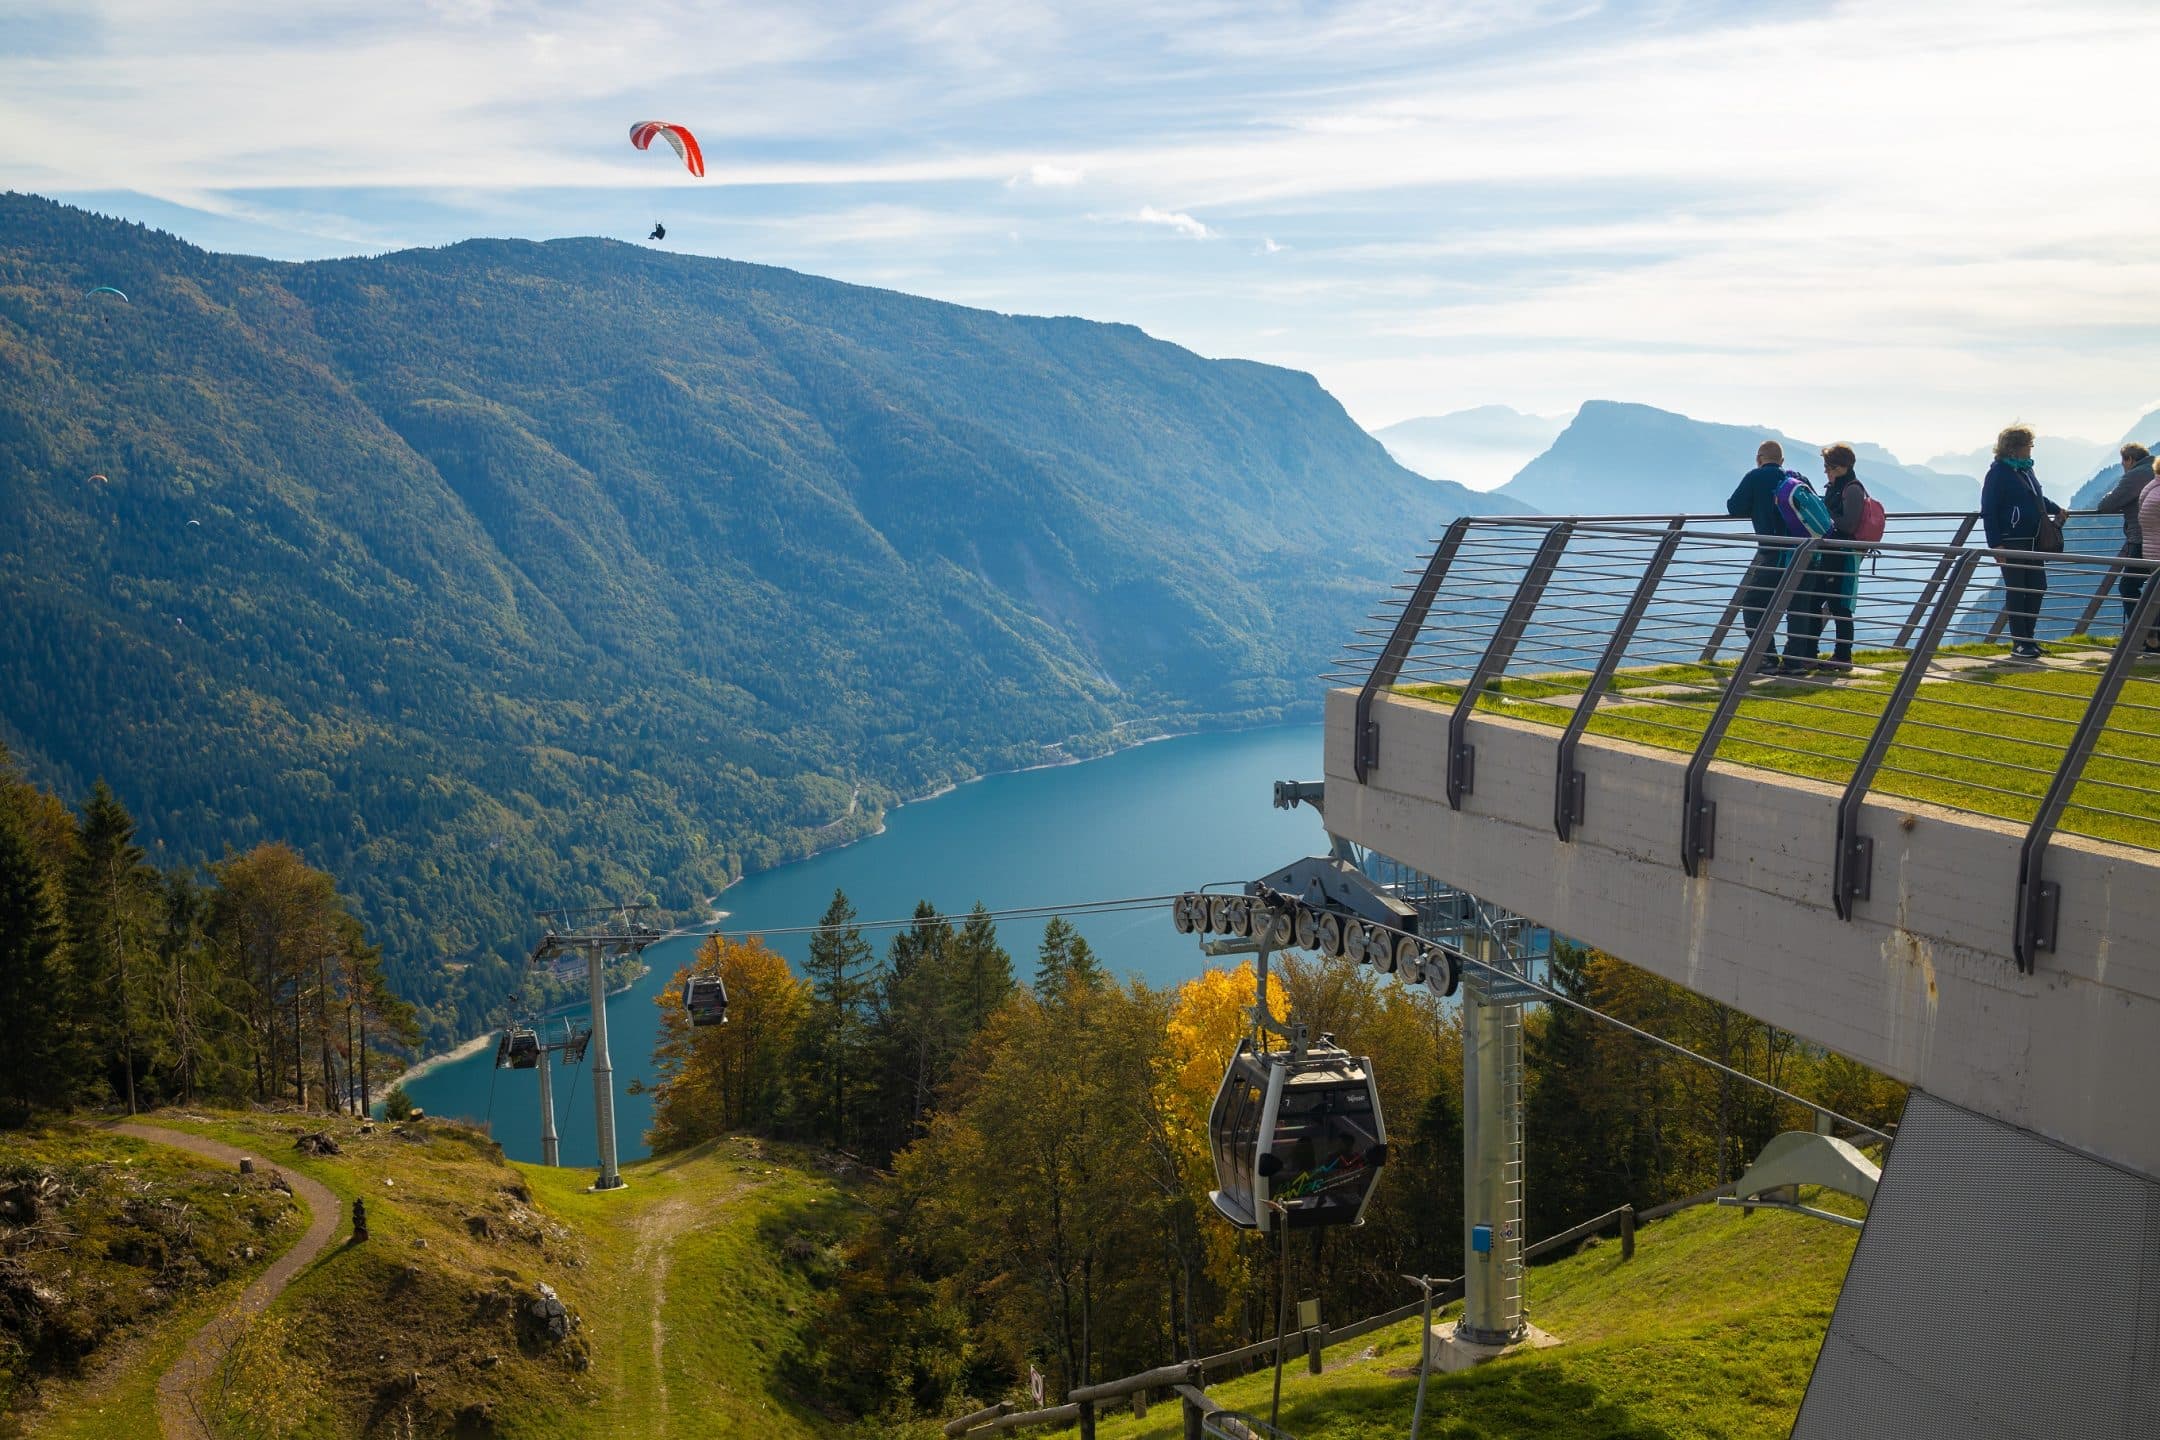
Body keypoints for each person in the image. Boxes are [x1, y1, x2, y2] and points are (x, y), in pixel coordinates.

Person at [1980, 425, 2063, 660]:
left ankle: (2029, 639)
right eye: (2028, 444)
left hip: (2033, 540)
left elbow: (2036, 498)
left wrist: (2057, 509)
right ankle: (2020, 642)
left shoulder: (2026, 471)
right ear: (2014, 448)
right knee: (2017, 591)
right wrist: (1995, 544)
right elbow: (1989, 510)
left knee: (2036, 587)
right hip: (2012, 541)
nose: (2031, 449)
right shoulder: (1998, 473)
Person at [1795, 444, 1867, 672]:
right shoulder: (1836, 487)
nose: (1826, 471)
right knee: (1816, 602)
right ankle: (1810, 654)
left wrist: (1825, 515)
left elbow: (1848, 524)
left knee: (1840, 607)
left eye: (1829, 467)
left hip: (1841, 556)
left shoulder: (1853, 490)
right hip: (1827, 555)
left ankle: (1843, 657)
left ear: (1842, 466)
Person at [1726, 440, 1794, 672]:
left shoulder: (1755, 477)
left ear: (1759, 458)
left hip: (1772, 553)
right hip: (1802, 554)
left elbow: (1734, 507)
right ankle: (1798, 659)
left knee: (1754, 603)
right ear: (1782, 461)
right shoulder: (1795, 478)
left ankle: (1767, 658)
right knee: (1796, 604)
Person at [2094, 443, 2156, 644]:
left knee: (2128, 587)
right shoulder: (2152, 471)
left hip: (2142, 541)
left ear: (2130, 459)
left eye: (2123, 461)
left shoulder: (2136, 476)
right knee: (2153, 588)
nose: (2122, 465)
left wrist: (2110, 496)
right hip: (2151, 540)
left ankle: (2146, 636)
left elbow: (2107, 505)